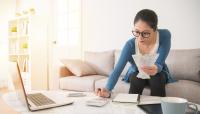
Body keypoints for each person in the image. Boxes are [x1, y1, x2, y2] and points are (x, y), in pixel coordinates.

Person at [96, 9, 175, 98]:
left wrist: (156, 68)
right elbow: (117, 70)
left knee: (157, 78)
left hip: (158, 72)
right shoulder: (130, 45)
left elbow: (160, 63)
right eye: (137, 32)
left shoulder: (164, 36)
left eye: (145, 33)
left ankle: (157, 109)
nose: (140, 38)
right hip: (137, 72)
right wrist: (107, 90)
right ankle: (132, 109)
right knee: (136, 78)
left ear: (155, 29)